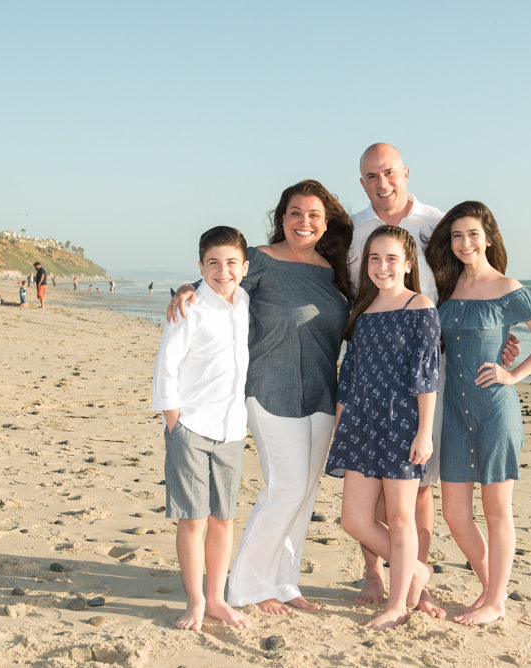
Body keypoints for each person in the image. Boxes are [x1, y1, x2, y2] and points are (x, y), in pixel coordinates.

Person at [348, 143, 519, 617]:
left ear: (405, 172)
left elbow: (477, 274)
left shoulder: (438, 223)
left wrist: (498, 336)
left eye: (388, 173)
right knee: (372, 486)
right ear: (361, 182)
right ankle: (376, 571)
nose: (382, 183)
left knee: (414, 483)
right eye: (370, 176)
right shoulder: (353, 229)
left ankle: (417, 580)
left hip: (432, 367)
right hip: (371, 360)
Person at [168, 180, 353, 615]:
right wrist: (183, 290)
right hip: (270, 388)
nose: (303, 222)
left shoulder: (333, 269)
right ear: (281, 217)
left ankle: (285, 581)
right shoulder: (263, 261)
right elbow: (215, 281)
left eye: (312, 215)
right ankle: (249, 584)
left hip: (323, 390)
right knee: (284, 489)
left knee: (305, 493)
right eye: (294, 213)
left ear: (325, 223)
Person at [425, 201, 531, 626]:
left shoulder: (508, 287)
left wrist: (513, 374)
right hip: (453, 411)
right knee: (454, 513)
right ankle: (491, 587)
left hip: (493, 410)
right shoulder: (447, 290)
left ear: (488, 238)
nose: (465, 243)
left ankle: (495, 600)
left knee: (497, 510)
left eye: (472, 234)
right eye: (457, 236)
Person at [326, 226, 440, 630]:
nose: (382, 266)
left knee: (400, 516)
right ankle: (416, 571)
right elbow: (350, 373)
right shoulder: (363, 311)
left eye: (392, 258)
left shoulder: (420, 306)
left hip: (401, 423)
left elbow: (426, 376)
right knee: (354, 519)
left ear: (408, 264)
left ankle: (396, 607)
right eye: (375, 258)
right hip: (359, 422)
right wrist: (342, 424)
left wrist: (424, 432)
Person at [152, 226, 252, 632]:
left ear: (245, 268)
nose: (222, 271)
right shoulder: (189, 307)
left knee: (223, 518)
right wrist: (174, 421)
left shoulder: (245, 301)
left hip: (231, 429)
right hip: (190, 426)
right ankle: (195, 601)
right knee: (192, 519)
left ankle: (217, 599)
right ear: (200, 267)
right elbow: (166, 365)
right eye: (213, 263)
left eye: (231, 263)